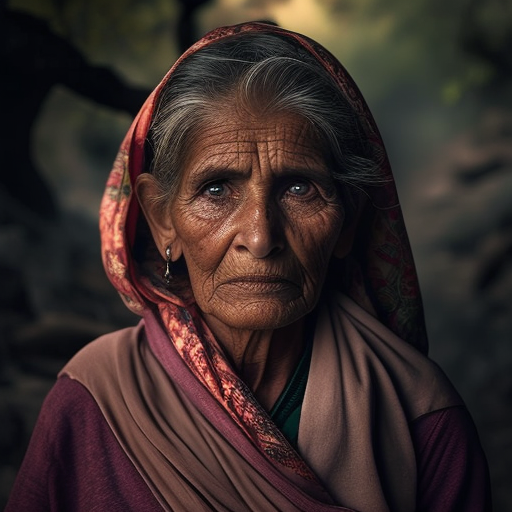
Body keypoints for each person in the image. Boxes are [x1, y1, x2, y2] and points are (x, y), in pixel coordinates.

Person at [5, 21, 492, 512]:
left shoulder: (419, 415)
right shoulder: (92, 397)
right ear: (160, 220)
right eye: (216, 189)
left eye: (300, 188)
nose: (260, 238)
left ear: (349, 221)